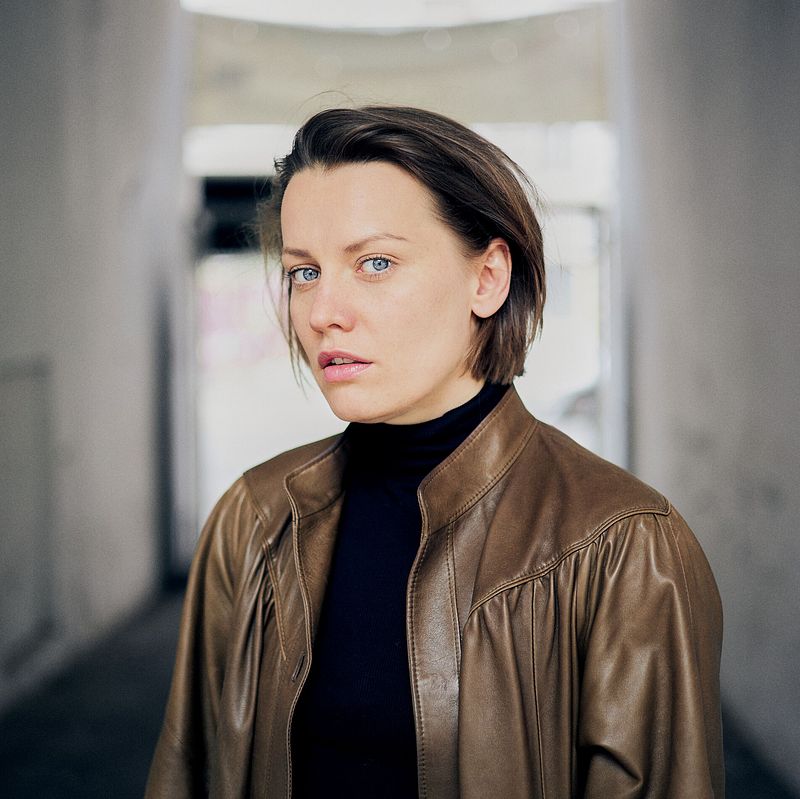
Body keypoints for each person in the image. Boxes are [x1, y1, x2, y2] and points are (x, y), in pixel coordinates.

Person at [145, 106, 723, 799]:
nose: (323, 311)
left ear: (488, 278)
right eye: (304, 272)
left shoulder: (627, 546)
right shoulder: (252, 518)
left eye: (376, 263)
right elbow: (187, 770)